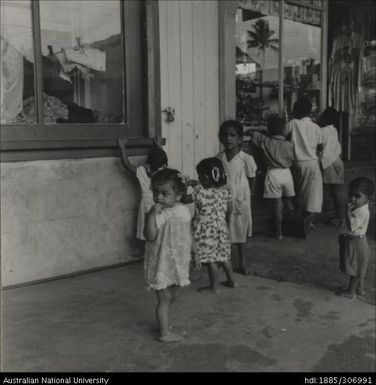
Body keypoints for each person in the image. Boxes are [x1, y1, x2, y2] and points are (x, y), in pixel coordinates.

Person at [144, 168, 199, 342]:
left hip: (178, 260)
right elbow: (149, 235)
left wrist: (195, 250)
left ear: (178, 195)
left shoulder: (183, 210)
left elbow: (187, 231)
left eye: (164, 193)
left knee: (172, 296)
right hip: (161, 262)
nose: (158, 197)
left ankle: (164, 323)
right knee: (164, 299)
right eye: (155, 192)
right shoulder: (158, 214)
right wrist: (151, 216)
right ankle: (165, 334)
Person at [182, 157, 236, 293]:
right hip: (222, 228)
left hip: (206, 230)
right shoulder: (226, 190)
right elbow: (230, 210)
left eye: (199, 175)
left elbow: (183, 199)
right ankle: (231, 281)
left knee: (212, 259)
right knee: (224, 257)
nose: (198, 178)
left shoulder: (199, 191)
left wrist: (186, 185)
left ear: (205, 177)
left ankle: (214, 287)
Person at [217, 120, 257, 275]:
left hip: (241, 198)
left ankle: (242, 262)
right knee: (223, 229)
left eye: (232, 135)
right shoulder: (219, 158)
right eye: (225, 135)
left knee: (240, 229)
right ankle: (223, 259)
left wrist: (249, 196)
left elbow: (252, 177)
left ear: (240, 138)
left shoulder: (246, 159)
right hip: (222, 198)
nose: (229, 139)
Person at [249, 115, 295, 239]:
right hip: (287, 173)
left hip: (273, 174)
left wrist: (262, 132)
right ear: (283, 130)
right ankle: (295, 225)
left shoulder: (266, 141)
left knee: (277, 204)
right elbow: (292, 159)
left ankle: (279, 232)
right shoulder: (289, 144)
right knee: (288, 201)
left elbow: (252, 133)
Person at [118, 137, 168, 242]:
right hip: (160, 207)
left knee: (149, 233)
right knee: (160, 233)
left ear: (148, 165)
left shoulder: (142, 172)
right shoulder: (165, 173)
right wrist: (159, 146)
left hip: (147, 208)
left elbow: (126, 164)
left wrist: (122, 147)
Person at [286, 96, 323, 236]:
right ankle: (306, 224)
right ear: (310, 112)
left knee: (298, 194)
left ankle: (300, 222)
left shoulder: (292, 123)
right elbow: (320, 147)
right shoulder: (316, 127)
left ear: (295, 111)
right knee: (312, 196)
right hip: (312, 164)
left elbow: (285, 138)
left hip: (297, 164)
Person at [337, 177, 374, 299]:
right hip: (354, 241)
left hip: (356, 243)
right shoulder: (359, 207)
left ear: (368, 198)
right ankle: (359, 289)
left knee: (355, 269)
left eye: (357, 196)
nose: (352, 199)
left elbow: (352, 226)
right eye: (350, 195)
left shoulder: (363, 211)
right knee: (358, 267)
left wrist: (346, 212)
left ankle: (351, 292)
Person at [317, 107, 346, 227]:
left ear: (324, 117)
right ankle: (339, 217)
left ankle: (340, 218)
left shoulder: (322, 131)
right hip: (337, 161)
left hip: (329, 163)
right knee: (336, 190)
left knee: (335, 191)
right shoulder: (333, 129)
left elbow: (319, 147)